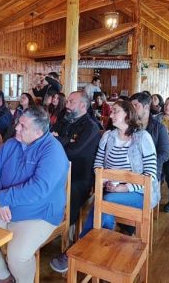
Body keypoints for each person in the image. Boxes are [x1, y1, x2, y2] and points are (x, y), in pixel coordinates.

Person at [0, 106, 69, 283]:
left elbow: (38, 188)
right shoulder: (11, 143)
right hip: (0, 205)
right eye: (18, 123)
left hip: (37, 213)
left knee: (17, 255)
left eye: (23, 126)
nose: (16, 127)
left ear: (38, 133)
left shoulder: (53, 152)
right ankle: (3, 277)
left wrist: (2, 198)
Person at [75, 101, 159, 250]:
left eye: (115, 111)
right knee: (105, 204)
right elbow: (98, 163)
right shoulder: (108, 136)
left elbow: (151, 174)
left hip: (139, 193)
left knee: (105, 202)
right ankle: (102, 249)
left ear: (128, 114)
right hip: (110, 188)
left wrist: (124, 187)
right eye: (112, 111)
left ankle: (84, 245)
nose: (111, 114)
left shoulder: (142, 137)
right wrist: (105, 180)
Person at [48, 92, 102, 273]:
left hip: (80, 176)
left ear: (83, 106)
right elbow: (49, 140)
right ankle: (45, 230)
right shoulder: (64, 120)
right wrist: (66, 140)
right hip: (56, 171)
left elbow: (75, 151)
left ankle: (65, 238)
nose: (67, 104)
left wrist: (60, 139)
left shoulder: (91, 126)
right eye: (68, 100)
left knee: (69, 197)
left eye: (71, 101)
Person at [130, 92, 169, 178]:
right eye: (131, 106)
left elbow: (164, 153)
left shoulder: (159, 128)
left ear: (146, 107)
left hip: (151, 170)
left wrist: (147, 164)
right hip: (128, 168)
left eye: (136, 105)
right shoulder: (128, 126)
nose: (132, 109)